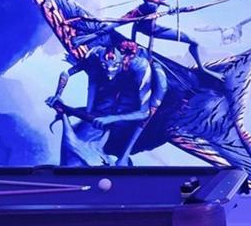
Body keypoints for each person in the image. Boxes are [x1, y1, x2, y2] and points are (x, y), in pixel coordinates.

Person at [46, 35, 165, 165]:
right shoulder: (96, 55)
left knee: (155, 100)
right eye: (105, 65)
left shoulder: (139, 66)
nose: (109, 70)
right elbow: (67, 72)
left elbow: (145, 113)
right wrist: (58, 94)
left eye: (114, 64)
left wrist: (111, 119)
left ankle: (124, 155)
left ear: (123, 58)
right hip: (109, 100)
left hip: (139, 103)